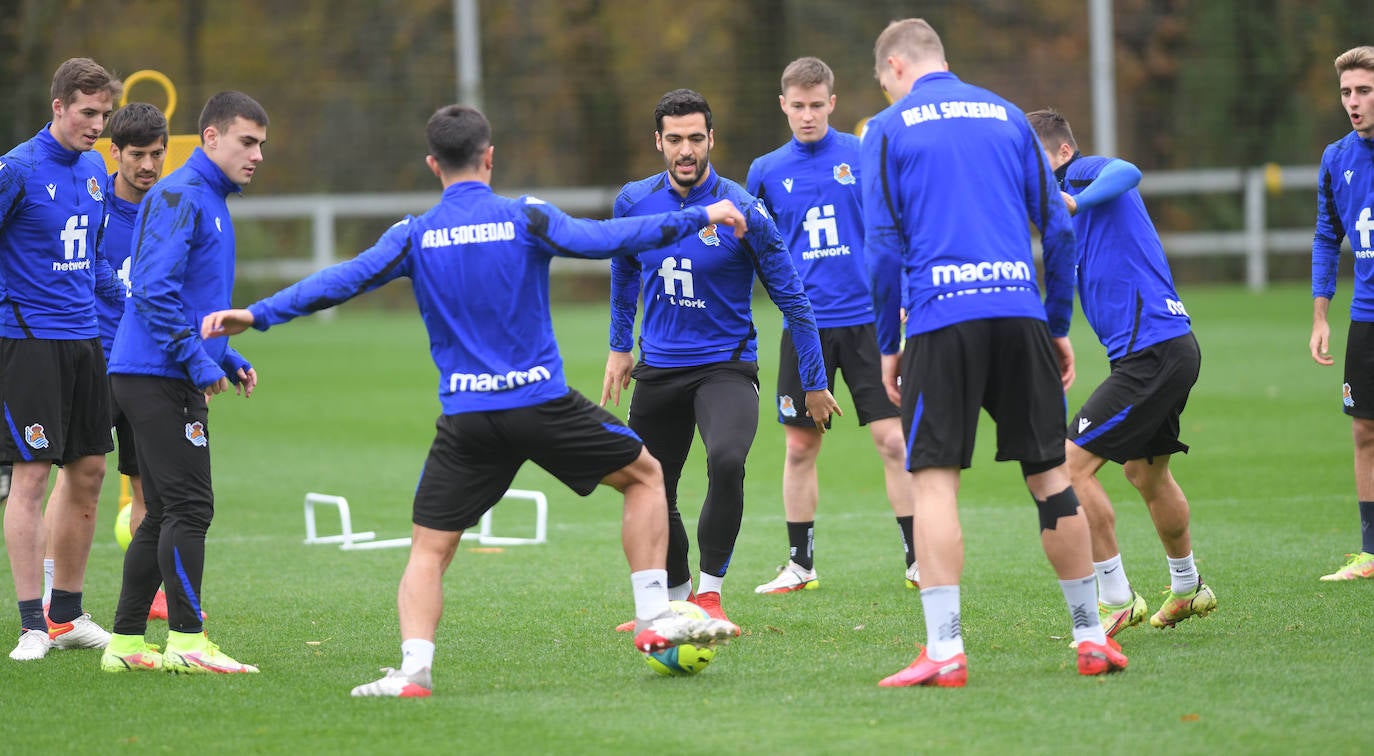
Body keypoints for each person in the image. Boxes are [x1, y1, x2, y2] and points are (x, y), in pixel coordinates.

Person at [199, 104, 742, 697]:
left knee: (429, 550)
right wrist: (697, 217)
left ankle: (414, 669)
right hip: (541, 404)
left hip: (467, 419)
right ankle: (651, 618)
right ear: (489, 158)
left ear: (434, 164)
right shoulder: (527, 217)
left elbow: (341, 280)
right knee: (645, 477)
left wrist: (256, 313)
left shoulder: (414, 234)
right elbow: (611, 238)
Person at [863, 19, 1126, 687]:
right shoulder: (1008, 116)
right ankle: (1091, 637)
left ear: (895, 66)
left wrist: (888, 344)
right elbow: (1061, 225)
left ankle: (946, 650)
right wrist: (1057, 322)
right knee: (1050, 477)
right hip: (1019, 313)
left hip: (939, 319)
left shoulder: (889, 127)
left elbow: (883, 250)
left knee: (935, 483)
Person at [602, 88, 841, 628]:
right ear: (658, 142)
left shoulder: (746, 211)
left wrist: (814, 380)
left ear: (711, 139)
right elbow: (623, 275)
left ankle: (710, 595)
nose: (685, 151)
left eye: (695, 139)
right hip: (658, 367)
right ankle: (677, 597)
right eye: (674, 139)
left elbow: (794, 300)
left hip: (725, 366)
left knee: (727, 460)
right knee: (650, 486)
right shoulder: (634, 202)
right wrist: (620, 346)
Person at [99, 91, 268, 675]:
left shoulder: (209, 198)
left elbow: (192, 298)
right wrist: (197, 363)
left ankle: (124, 646)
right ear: (211, 139)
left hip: (158, 369)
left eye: (262, 145)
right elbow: (150, 292)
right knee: (192, 507)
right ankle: (188, 642)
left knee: (166, 508)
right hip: (156, 375)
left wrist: (223, 355)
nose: (257, 155)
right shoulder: (181, 194)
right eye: (247, 142)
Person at [1028, 108, 1215, 634]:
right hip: (1163, 349)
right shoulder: (1058, 212)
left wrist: (1074, 197)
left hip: (1153, 352)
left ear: (1063, 154)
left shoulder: (1084, 177)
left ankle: (1115, 597)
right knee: (1146, 473)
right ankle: (1188, 587)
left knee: (1067, 468)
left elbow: (1128, 170)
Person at [745, 57, 915, 595]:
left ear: (833, 103)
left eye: (817, 105)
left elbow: (897, 228)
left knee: (893, 442)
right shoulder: (765, 171)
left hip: (870, 323)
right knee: (800, 448)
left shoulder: (864, 155)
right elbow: (752, 249)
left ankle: (918, 559)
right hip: (805, 328)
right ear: (782, 105)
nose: (807, 114)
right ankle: (801, 565)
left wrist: (905, 296)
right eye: (797, 105)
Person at [0, 57, 125, 661]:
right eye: (87, 113)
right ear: (58, 107)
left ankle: (67, 615)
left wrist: (134, 302)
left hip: (85, 341)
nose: (97, 125)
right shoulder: (16, 170)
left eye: (104, 114)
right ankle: (30, 625)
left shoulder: (98, 169)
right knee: (30, 477)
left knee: (91, 473)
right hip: (28, 343)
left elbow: (95, 261)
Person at [1311, 45, 1374, 581]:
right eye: (1346, 93)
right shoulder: (1337, 158)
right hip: (1366, 317)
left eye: (1363, 91)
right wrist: (1320, 314)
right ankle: (1371, 554)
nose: (1353, 102)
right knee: (1365, 432)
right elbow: (1328, 236)